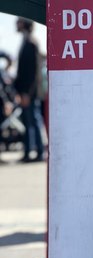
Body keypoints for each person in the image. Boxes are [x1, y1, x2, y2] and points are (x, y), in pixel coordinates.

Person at [13, 17, 45, 162]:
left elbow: (34, 72)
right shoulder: (25, 42)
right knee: (28, 122)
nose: (16, 24)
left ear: (25, 24)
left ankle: (39, 152)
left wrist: (27, 93)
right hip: (24, 92)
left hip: (30, 93)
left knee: (34, 121)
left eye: (19, 21)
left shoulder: (32, 43)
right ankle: (28, 152)